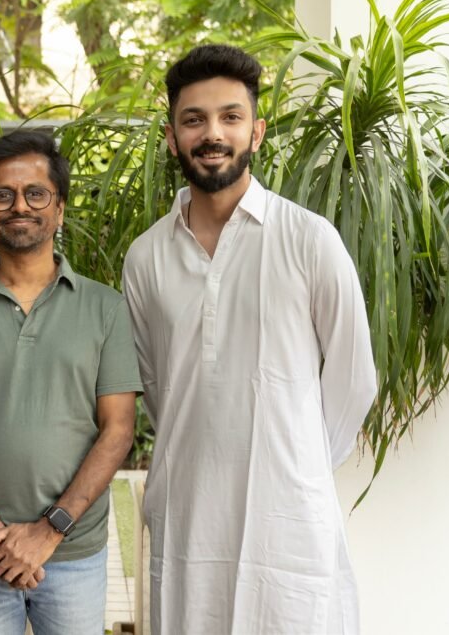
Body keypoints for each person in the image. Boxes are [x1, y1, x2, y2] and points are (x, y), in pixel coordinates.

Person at [122, 44, 378, 634]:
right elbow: (158, 387)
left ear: (256, 133)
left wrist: (296, 459)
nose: (213, 133)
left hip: (287, 522)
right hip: (188, 517)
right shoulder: (146, 257)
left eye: (230, 117)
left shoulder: (309, 239)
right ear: (172, 137)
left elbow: (353, 377)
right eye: (194, 119)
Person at [0, 130, 142, 635]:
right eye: (3, 195)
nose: (20, 206)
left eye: (36, 193)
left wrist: (50, 529)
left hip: (73, 551)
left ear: (59, 210)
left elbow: (119, 430)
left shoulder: (106, 308)